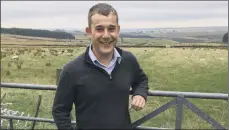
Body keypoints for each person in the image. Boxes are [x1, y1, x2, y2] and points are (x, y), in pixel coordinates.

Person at [52, 3, 149, 129]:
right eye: (99, 29)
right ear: (89, 32)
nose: (106, 35)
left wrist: (140, 94)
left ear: (118, 30)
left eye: (111, 28)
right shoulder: (72, 70)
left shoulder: (128, 60)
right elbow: (60, 111)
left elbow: (141, 80)